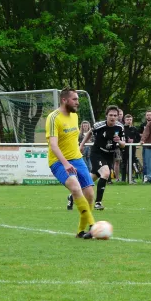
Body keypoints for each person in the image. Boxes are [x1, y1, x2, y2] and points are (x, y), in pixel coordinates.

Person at [47, 87, 96, 239]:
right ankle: (93, 225)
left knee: (89, 195)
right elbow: (53, 145)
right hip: (58, 161)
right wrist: (66, 164)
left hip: (77, 159)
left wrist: (79, 149)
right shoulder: (54, 117)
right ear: (64, 100)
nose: (77, 102)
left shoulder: (74, 116)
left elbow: (73, 138)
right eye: (74, 99)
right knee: (75, 188)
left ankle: (81, 231)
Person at [71, 105, 125, 211]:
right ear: (106, 116)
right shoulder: (99, 125)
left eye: (115, 115)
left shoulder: (120, 127)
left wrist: (119, 141)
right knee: (105, 173)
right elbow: (89, 133)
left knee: (90, 180)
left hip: (109, 155)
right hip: (97, 153)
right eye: (111, 115)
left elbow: (123, 145)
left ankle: (72, 196)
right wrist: (81, 145)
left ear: (118, 116)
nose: (113, 117)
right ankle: (98, 202)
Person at [121, 114, 141, 183]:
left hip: (132, 149)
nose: (129, 121)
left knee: (131, 163)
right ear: (124, 120)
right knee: (123, 163)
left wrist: (133, 141)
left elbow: (138, 138)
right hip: (124, 148)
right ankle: (123, 179)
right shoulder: (122, 128)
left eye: (130, 120)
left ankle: (130, 178)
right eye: (127, 120)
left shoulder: (134, 129)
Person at [139, 110, 151, 179]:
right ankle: (145, 177)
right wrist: (145, 135)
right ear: (145, 116)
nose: (148, 116)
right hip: (145, 145)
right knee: (145, 161)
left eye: (150, 115)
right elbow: (139, 134)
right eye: (147, 115)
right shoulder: (142, 125)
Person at [112, 108, 124, 182]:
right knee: (107, 163)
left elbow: (123, 138)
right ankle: (108, 178)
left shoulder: (121, 126)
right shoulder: (105, 124)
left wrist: (120, 141)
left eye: (120, 114)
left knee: (117, 162)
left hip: (117, 147)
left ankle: (117, 178)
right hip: (107, 146)